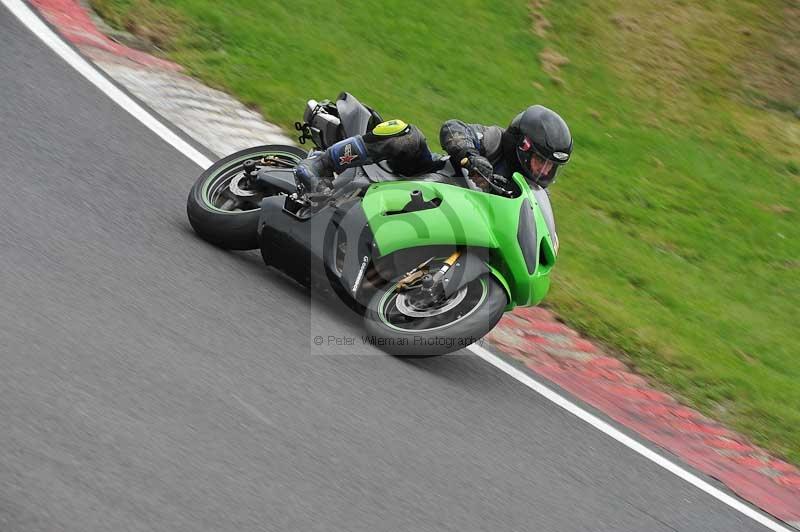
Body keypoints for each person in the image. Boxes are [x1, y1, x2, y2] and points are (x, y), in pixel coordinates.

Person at [293, 105, 572, 194]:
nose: (544, 170)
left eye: (550, 167)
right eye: (540, 161)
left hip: (454, 217)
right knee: (407, 136)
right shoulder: (496, 141)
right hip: (427, 178)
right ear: (523, 146)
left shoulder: (530, 193)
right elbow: (453, 128)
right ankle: (320, 165)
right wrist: (471, 158)